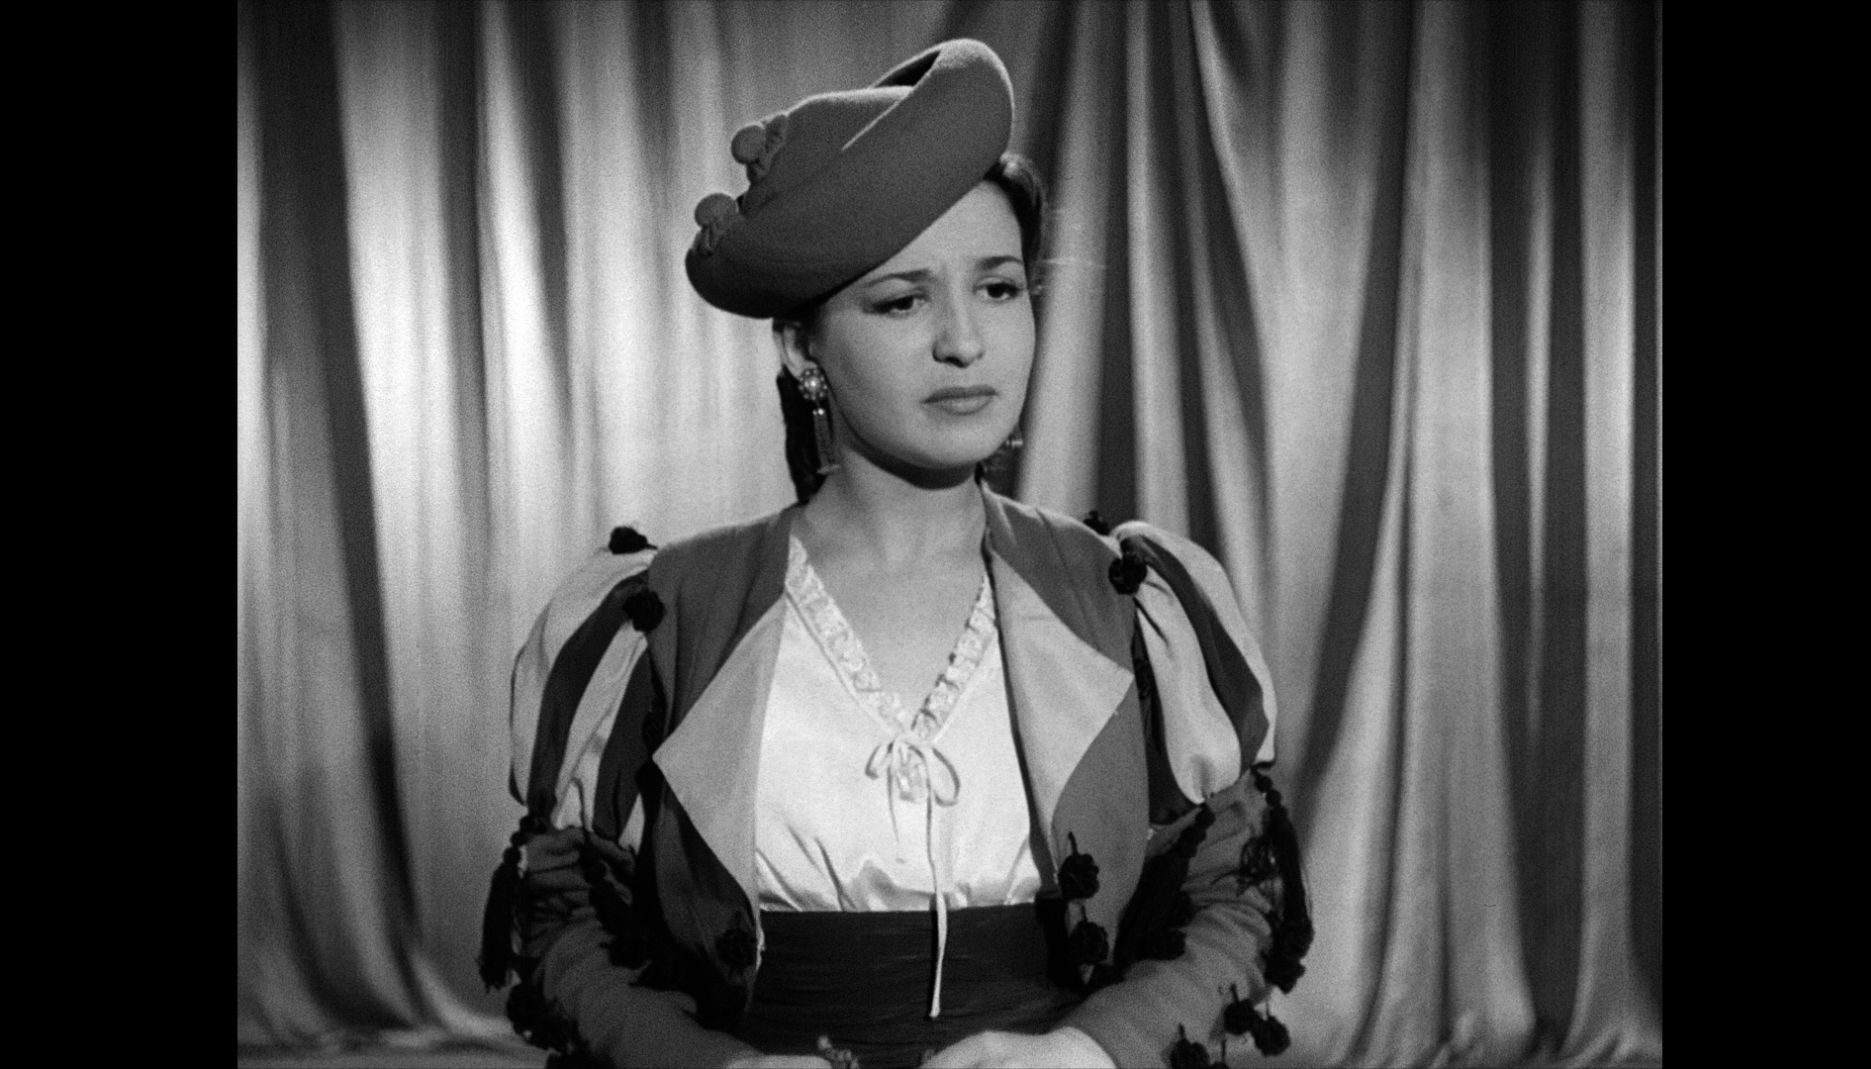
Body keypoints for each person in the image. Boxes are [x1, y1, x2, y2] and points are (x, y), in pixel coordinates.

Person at [479, 39, 1311, 1069]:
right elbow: (563, 920)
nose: (965, 341)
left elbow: (1235, 895)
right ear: (802, 345)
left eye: (998, 288)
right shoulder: (665, 617)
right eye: (902, 300)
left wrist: (1088, 1053)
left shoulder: (1128, 602)